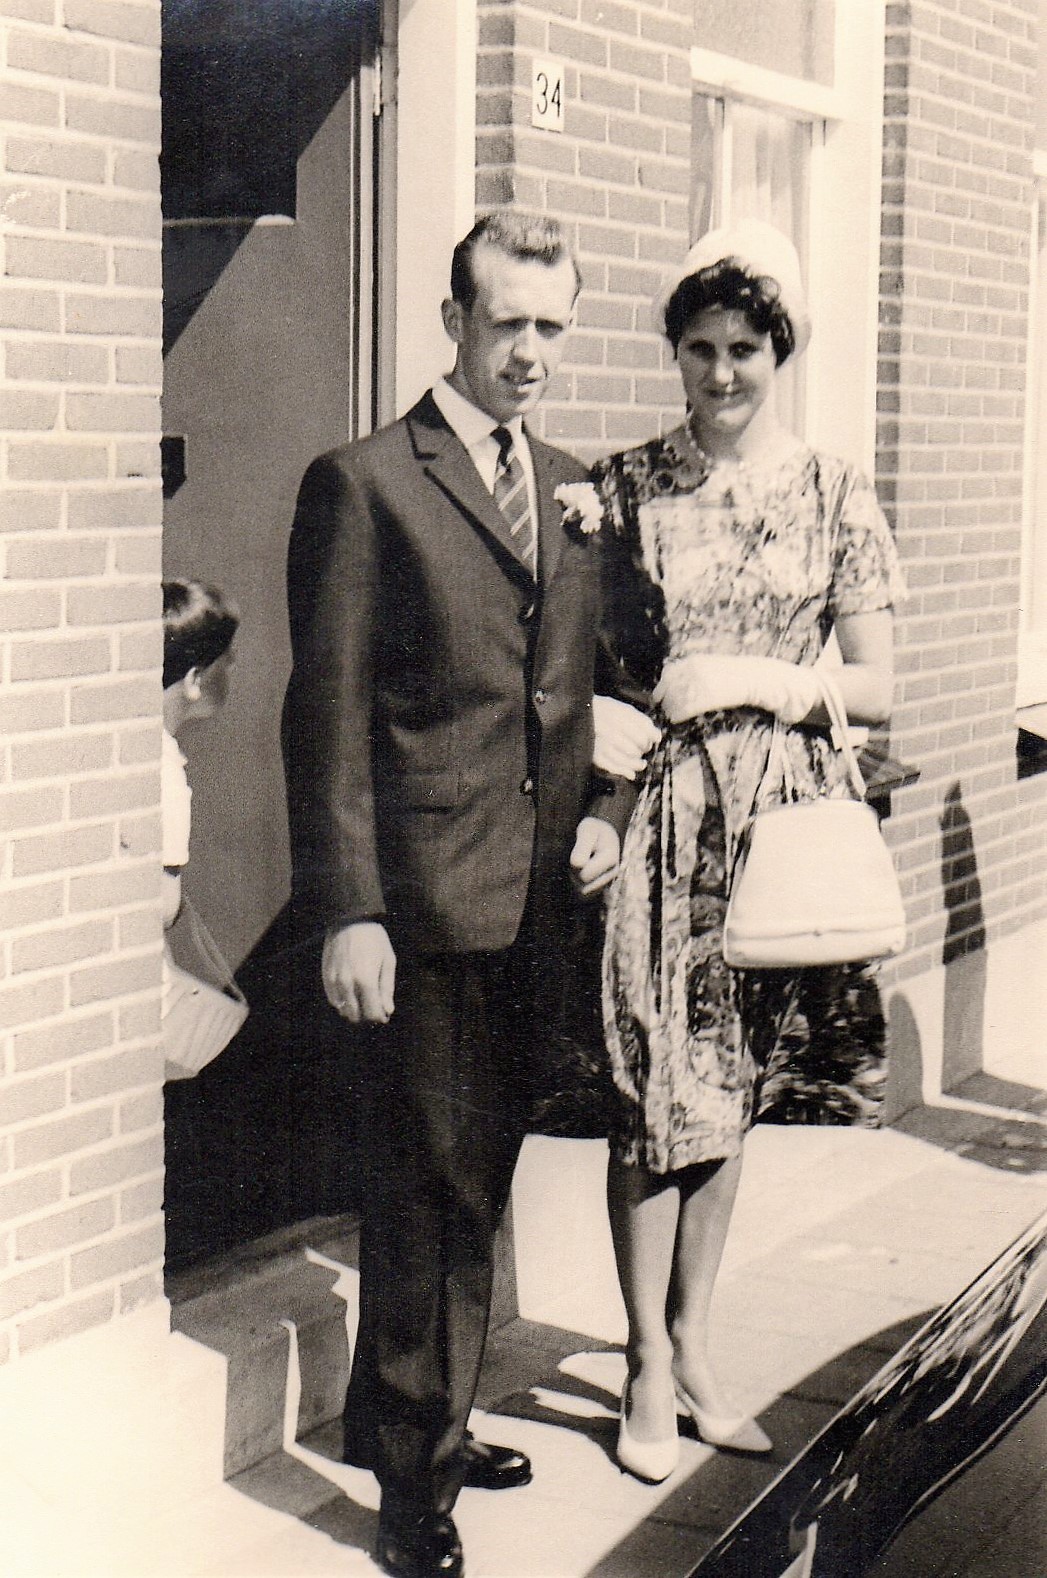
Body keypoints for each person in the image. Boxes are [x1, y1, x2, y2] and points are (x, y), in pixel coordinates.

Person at [281, 212, 639, 1578]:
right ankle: (412, 1486)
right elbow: (323, 717)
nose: (532, 351)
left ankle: (413, 1411)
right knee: (426, 1184)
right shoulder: (366, 483)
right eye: (508, 323)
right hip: (422, 904)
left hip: (537, 903)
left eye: (553, 325)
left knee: (476, 1174)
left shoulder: (569, 488)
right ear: (452, 321)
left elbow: (606, 684)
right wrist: (348, 908)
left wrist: (604, 812)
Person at [590, 219, 905, 1484]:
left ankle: (695, 1346)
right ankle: (641, 1364)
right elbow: (587, 667)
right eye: (701, 349)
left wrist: (768, 681)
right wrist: (601, 759)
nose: (722, 374)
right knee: (647, 1086)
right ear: (675, 351)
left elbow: (877, 683)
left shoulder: (834, 491)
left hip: (781, 827)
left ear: (782, 354)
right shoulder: (623, 489)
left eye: (745, 351)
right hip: (662, 822)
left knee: (729, 1091)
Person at [161, 578, 239, 933]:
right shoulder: (167, 773)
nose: (233, 670)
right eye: (228, 662)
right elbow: (163, 906)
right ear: (194, 680)